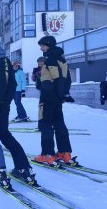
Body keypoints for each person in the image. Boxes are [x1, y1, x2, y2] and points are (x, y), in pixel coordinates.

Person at [0, 33, 37, 189]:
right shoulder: (5, 60)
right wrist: (6, 101)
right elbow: (12, 84)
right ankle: (23, 167)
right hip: (4, 106)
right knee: (4, 134)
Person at [34, 35, 75, 166]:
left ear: (48, 45)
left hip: (48, 98)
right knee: (59, 124)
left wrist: (42, 83)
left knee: (45, 124)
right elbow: (67, 78)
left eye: (42, 45)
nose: (41, 48)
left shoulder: (50, 59)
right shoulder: (61, 59)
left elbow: (56, 79)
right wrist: (62, 94)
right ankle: (65, 153)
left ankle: (47, 154)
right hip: (57, 98)